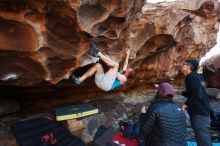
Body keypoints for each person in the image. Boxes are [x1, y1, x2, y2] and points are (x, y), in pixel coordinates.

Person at [181, 59, 212, 146]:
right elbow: (195, 92)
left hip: (199, 112)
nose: (182, 65)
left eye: (184, 64)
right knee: (203, 137)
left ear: (189, 67)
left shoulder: (192, 77)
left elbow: (197, 94)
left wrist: (185, 105)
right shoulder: (196, 77)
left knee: (203, 140)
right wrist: (180, 92)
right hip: (203, 110)